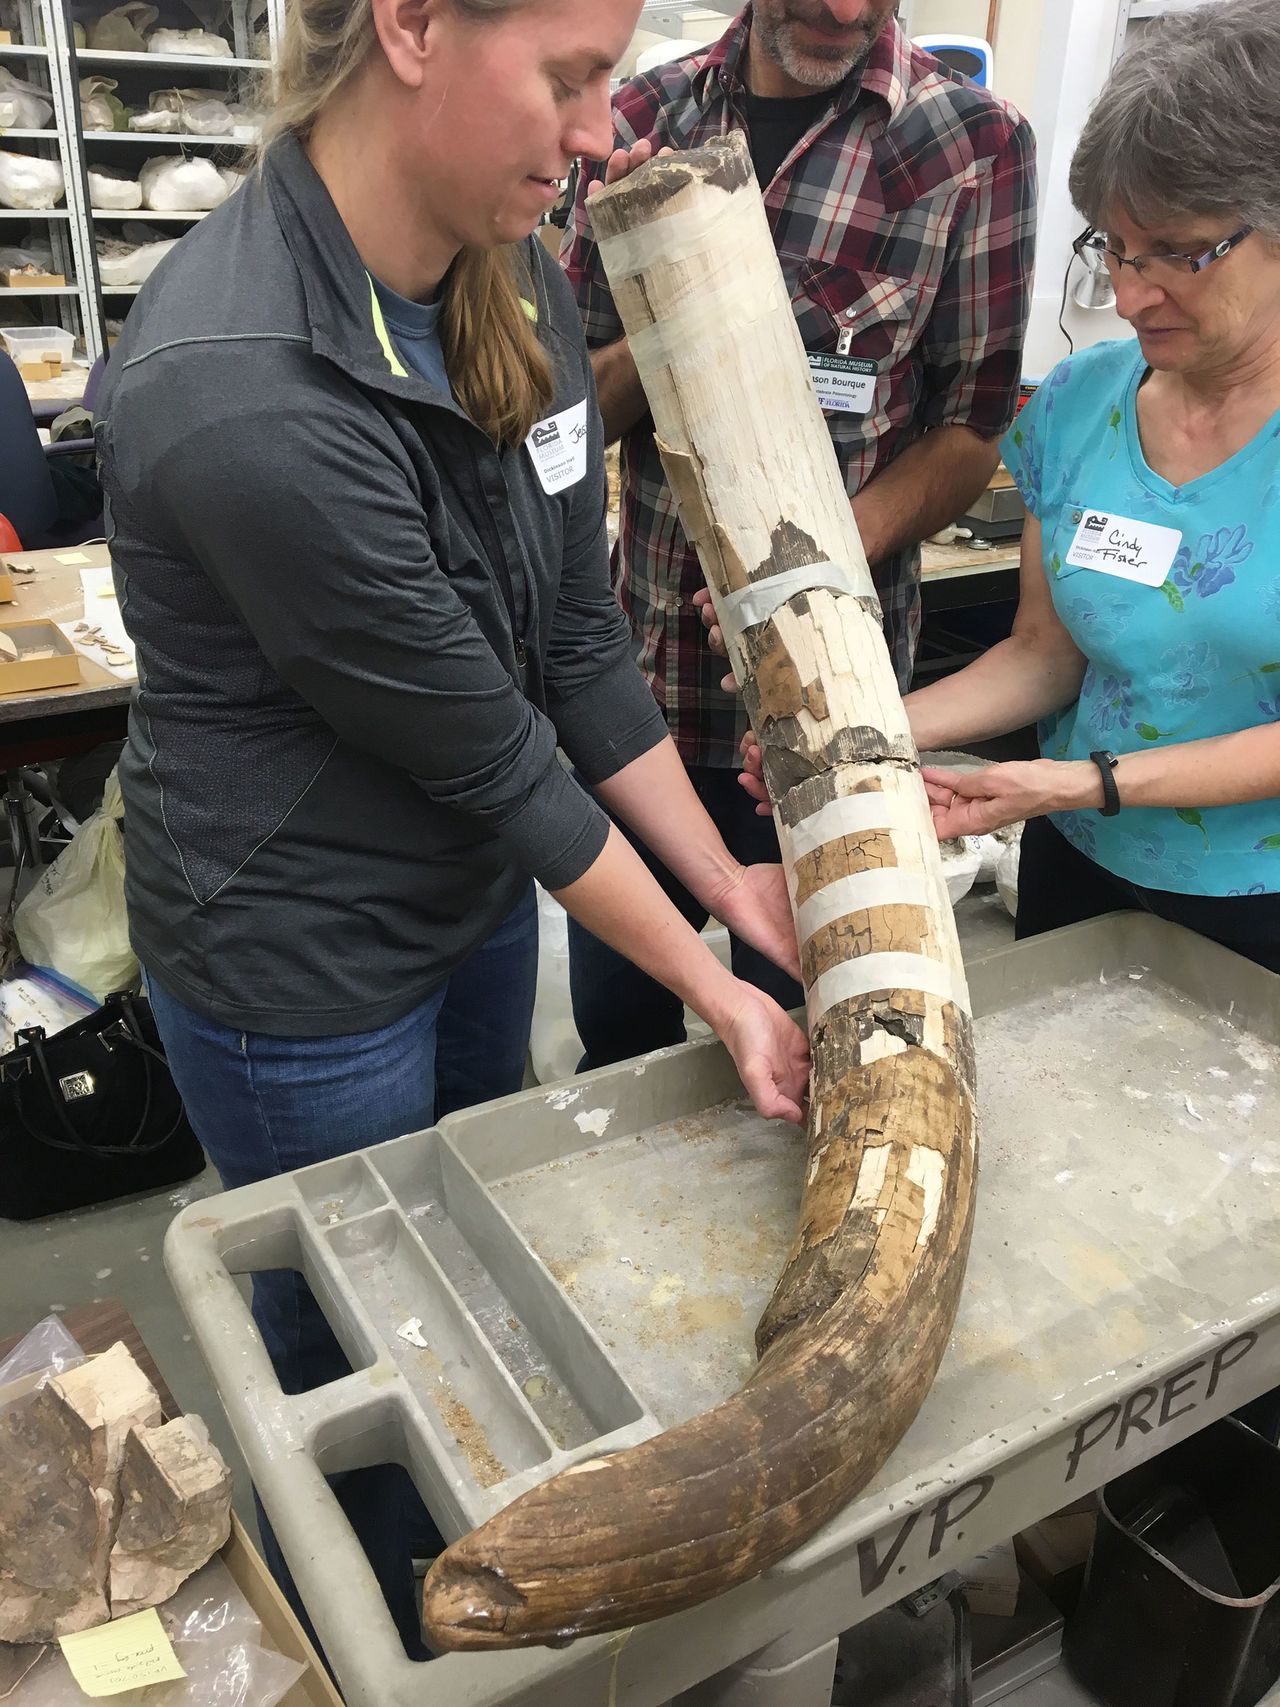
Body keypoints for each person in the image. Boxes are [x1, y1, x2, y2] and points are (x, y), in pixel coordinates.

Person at [95, 0, 810, 1657]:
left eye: (609, 79)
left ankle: (480, 1590)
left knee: (472, 1272)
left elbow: (568, 648)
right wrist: (719, 985)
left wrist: (735, 889)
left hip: (477, 900)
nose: (595, 131)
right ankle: (381, 1641)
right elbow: (499, 755)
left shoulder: (515, 273)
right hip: (300, 953)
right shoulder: (237, 387)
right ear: (411, 27)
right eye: (568, 77)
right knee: (343, 1328)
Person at [735, 0, 1280, 977]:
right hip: (1079, 867)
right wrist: (869, 737)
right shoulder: (1079, 405)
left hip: (1254, 901)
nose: (1126, 293)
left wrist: (1081, 782)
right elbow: (1040, 655)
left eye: (1175, 254)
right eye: (1110, 247)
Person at [562, 0, 1038, 1069]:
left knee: (824, 1033)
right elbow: (568, 413)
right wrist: (666, 275)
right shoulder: (641, 112)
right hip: (645, 703)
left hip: (830, 718)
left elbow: (970, 427)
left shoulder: (967, 145)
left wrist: (807, 572)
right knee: (621, 1036)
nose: (841, 11)